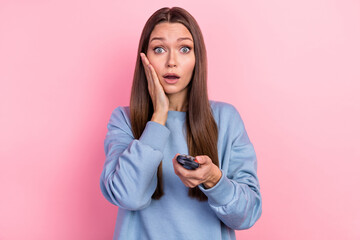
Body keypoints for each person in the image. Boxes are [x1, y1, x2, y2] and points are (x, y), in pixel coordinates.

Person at [100, 6, 262, 240]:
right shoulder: (124, 120)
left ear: (197, 59)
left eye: (184, 49)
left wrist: (213, 180)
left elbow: (247, 215)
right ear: (144, 58)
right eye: (159, 49)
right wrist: (159, 117)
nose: (171, 62)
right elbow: (128, 196)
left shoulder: (226, 119)